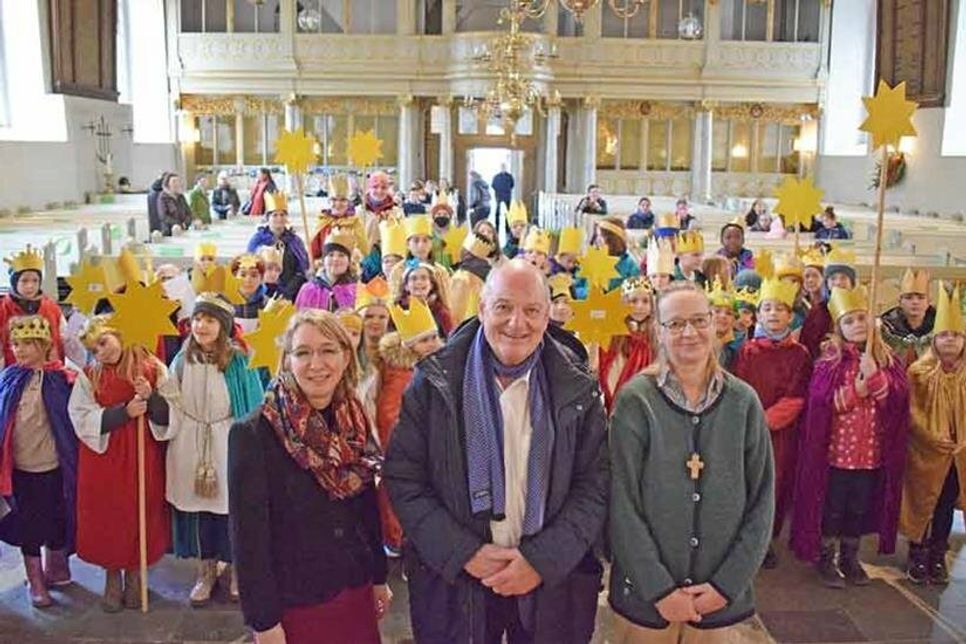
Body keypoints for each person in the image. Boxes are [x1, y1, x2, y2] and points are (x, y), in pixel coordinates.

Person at [384, 259, 608, 642]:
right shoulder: (434, 382)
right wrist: (464, 553)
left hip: (549, 582)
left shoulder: (577, 386)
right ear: (482, 307)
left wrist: (541, 560)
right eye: (503, 307)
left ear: (547, 315)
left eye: (531, 310)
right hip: (458, 583)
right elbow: (405, 479)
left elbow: (595, 484)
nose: (516, 323)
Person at [609, 281, 774, 643]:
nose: (689, 333)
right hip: (647, 595)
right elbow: (622, 504)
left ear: (714, 324)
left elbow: (762, 502)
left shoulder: (743, 402)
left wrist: (726, 585)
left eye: (699, 320)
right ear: (659, 331)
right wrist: (658, 588)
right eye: (676, 323)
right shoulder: (636, 401)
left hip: (716, 596)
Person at [229, 310, 389, 644]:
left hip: (355, 586)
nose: (316, 364)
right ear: (287, 361)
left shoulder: (354, 419)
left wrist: (378, 576)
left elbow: (366, 508)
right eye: (303, 352)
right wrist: (263, 622)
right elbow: (248, 539)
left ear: (346, 357)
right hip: (297, 601)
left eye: (328, 350)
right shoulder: (254, 433)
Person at [790, 286, 909, 588]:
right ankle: (825, 557)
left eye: (861, 318)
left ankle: (850, 557)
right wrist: (857, 390)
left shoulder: (887, 360)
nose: (857, 324)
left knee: (858, 508)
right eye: (849, 321)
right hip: (837, 455)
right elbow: (822, 405)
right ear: (838, 328)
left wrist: (876, 377)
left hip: (870, 455)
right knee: (833, 508)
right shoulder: (829, 362)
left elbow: (897, 403)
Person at [154, 294, 263, 606]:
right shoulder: (182, 359)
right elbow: (172, 400)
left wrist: (248, 447)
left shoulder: (238, 360)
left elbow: (252, 405)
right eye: (198, 319)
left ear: (224, 326)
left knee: (232, 508)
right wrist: (153, 394)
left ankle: (237, 569)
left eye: (210, 320)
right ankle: (206, 571)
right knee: (201, 512)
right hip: (190, 441)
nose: (201, 326)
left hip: (226, 440)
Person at [68, 316, 170, 612]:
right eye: (94, 349)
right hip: (105, 456)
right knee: (109, 514)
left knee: (139, 511)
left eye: (104, 342)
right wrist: (123, 413)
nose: (101, 352)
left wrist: (151, 398)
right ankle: (112, 575)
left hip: (142, 452)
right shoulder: (91, 375)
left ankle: (136, 574)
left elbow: (171, 413)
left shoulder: (151, 368)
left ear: (120, 335)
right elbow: (80, 415)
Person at [733, 278, 812, 569]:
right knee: (746, 482)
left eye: (780, 309)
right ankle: (741, 541)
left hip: (781, 435)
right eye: (767, 308)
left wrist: (767, 421)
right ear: (758, 315)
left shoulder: (800, 354)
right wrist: (751, 421)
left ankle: (765, 541)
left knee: (775, 485)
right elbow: (739, 388)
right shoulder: (748, 351)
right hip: (747, 430)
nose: (773, 314)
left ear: (790, 316)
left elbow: (797, 395)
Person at [0, 316, 78, 607]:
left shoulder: (62, 379)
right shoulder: (10, 378)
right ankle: (35, 580)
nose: (19, 350)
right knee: (29, 526)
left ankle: (55, 569)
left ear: (44, 345)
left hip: (54, 466)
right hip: (20, 469)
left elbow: (74, 420)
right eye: (15, 344)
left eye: (27, 344)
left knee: (58, 518)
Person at [368, 299, 443, 558]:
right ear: (408, 346)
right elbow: (390, 417)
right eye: (424, 340)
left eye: (434, 337)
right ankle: (398, 543)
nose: (432, 344)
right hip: (407, 454)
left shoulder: (430, 367)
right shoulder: (401, 375)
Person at [901, 283, 966, 585]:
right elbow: (911, 411)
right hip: (925, 454)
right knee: (922, 502)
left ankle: (938, 553)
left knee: (946, 504)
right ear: (934, 340)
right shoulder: (919, 372)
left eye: (956, 335)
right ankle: (916, 551)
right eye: (944, 335)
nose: (950, 340)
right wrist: (930, 437)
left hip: (957, 454)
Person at [1, 246, 71, 366]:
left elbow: (65, 338)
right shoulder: (3, 309)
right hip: (14, 369)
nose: (30, 286)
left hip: (50, 369)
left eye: (35, 280)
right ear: (15, 282)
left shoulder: (51, 308)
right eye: (24, 281)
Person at [599, 277, 655, 414]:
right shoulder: (616, 335)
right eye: (633, 301)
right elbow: (609, 369)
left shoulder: (656, 335)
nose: (640, 306)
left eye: (645, 301)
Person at [245, 192, 310, 301]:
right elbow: (250, 266)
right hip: (262, 293)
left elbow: (301, 270)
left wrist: (287, 292)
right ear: (268, 218)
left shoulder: (295, 241)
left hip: (290, 293)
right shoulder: (257, 239)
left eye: (282, 215)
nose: (279, 218)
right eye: (275, 215)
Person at [799, 248, 856, 358]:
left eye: (843, 278)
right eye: (833, 278)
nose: (838, 282)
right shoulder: (818, 311)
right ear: (827, 283)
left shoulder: (860, 310)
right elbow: (806, 344)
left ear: (851, 283)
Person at [880, 268, 935, 367]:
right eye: (908, 297)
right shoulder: (885, 329)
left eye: (921, 298)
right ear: (900, 301)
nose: (915, 302)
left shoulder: (939, 329)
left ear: (928, 301)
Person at [295, 231, 358, 312]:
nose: (335, 259)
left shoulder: (356, 291)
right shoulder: (308, 290)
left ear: (349, 262)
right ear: (323, 260)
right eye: (331, 255)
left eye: (341, 255)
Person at [310, 175, 368, 262]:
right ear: (329, 201)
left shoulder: (356, 223)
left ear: (348, 202)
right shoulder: (323, 222)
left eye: (342, 200)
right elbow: (313, 253)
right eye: (334, 199)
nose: (338, 204)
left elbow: (364, 253)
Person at [360, 171, 404, 282]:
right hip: (365, 262)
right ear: (369, 188)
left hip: (389, 263)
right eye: (375, 187)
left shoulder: (396, 212)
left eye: (383, 187)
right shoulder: (360, 211)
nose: (379, 191)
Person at [449, 232, 498, 325]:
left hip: (466, 328)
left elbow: (454, 316)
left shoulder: (461, 277)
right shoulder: (490, 275)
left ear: (466, 252)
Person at [594, 218, 640, 292]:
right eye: (597, 236)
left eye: (600, 236)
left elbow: (633, 292)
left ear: (611, 239)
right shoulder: (593, 260)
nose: (597, 240)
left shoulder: (630, 266)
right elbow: (579, 286)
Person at [492, 164, 515, 232]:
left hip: (507, 196)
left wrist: (507, 189)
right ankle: (497, 227)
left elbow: (512, 185)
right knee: (497, 212)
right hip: (499, 196)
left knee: (508, 212)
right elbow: (493, 185)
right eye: (502, 167)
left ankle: (508, 226)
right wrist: (499, 190)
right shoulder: (496, 176)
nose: (503, 168)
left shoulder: (509, 176)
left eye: (504, 167)